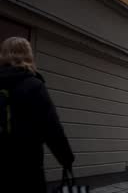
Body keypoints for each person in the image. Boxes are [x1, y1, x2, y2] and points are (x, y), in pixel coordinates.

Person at [0, 37, 75, 193]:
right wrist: (65, 158)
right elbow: (51, 127)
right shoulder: (33, 85)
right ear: (28, 56)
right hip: (26, 166)